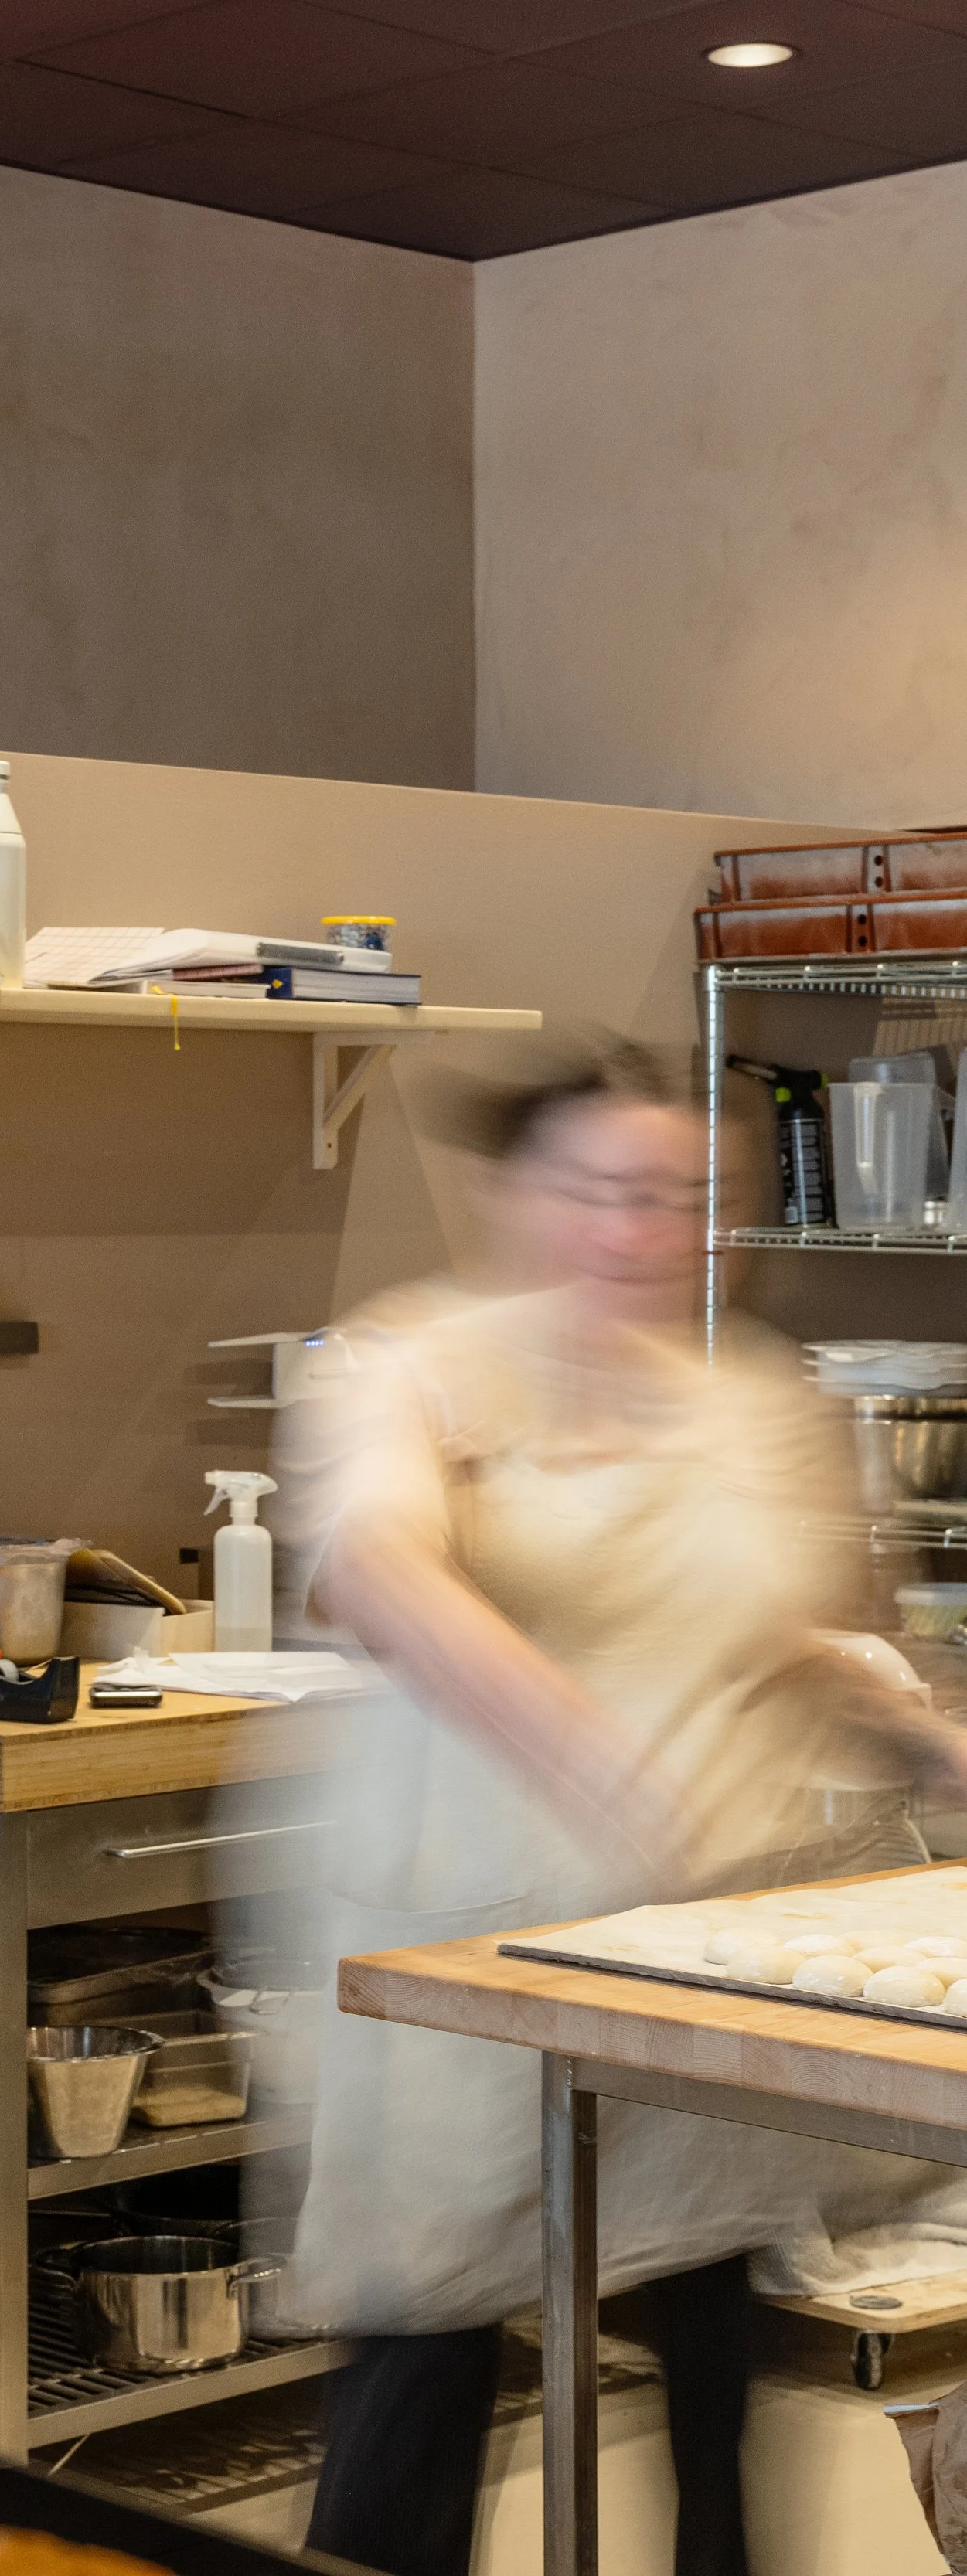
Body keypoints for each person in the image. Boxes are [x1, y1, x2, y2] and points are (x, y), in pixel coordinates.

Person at [267, 1034, 967, 2576]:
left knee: (713, 2399)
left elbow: (776, 1628)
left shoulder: (748, 1395)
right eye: (601, 1191)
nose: (640, 1232)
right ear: (516, 1197)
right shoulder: (414, 1363)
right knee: (415, 2393)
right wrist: (589, 1758)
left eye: (678, 1195)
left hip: (685, 1959)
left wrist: (921, 1738)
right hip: (465, 1954)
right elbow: (377, 1567)